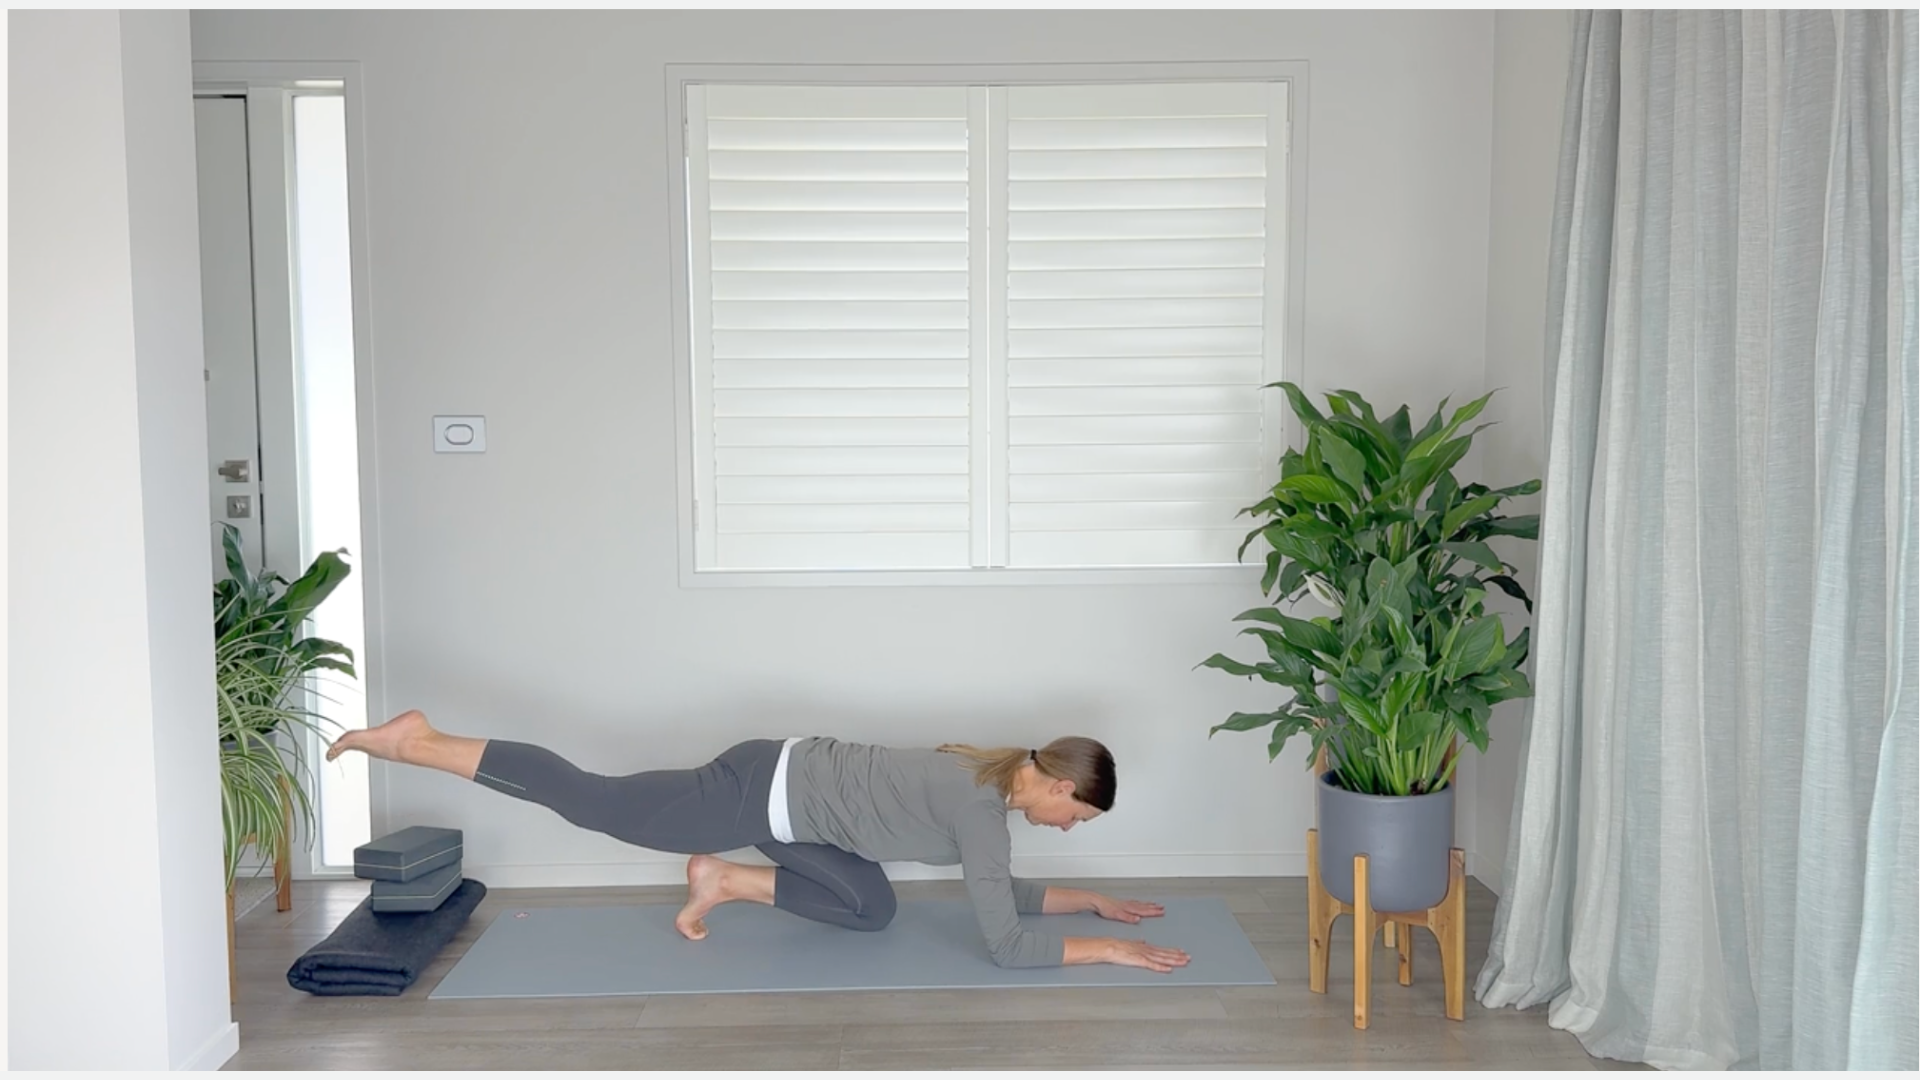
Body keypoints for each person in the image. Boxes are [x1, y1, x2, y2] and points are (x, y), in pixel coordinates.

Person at [327, 711, 1192, 972]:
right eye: (1079, 817)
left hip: (792, 817)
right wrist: (1111, 948)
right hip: (758, 793)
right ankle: (423, 743)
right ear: (1063, 788)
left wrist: (1094, 899)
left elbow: (1003, 890)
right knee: (595, 804)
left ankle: (722, 880)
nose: (1071, 828)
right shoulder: (978, 809)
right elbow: (1002, 938)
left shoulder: (988, 792)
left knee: (872, 906)